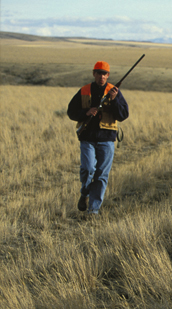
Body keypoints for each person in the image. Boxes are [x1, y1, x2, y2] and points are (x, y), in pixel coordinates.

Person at [67, 61, 129, 215]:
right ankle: (85, 192)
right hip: (87, 137)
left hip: (107, 139)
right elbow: (71, 112)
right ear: (93, 73)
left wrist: (114, 100)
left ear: (108, 75)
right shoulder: (84, 90)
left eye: (105, 73)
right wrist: (86, 113)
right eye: (99, 73)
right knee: (87, 169)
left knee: (101, 175)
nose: (102, 76)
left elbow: (123, 115)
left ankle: (93, 210)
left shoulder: (114, 91)